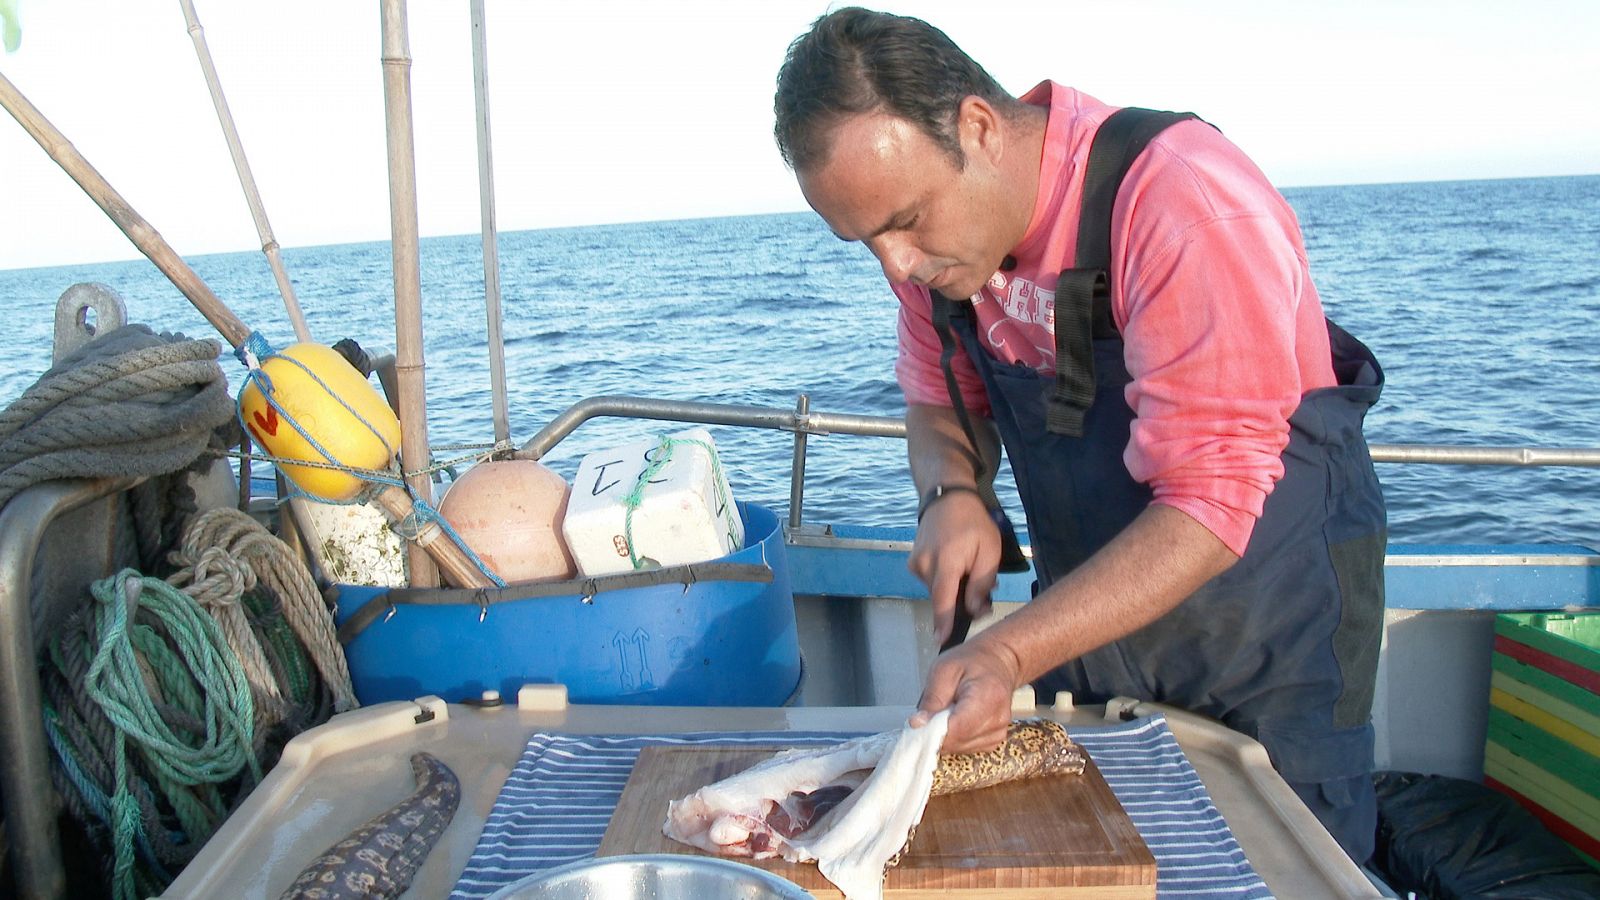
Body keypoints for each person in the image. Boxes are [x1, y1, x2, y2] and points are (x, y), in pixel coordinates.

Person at [773, 7, 1387, 863]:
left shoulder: (1181, 202)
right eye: (865, 240)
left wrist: (1011, 650)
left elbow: (1213, 500)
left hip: (1270, 653)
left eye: (906, 220)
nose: (895, 266)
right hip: (1093, 647)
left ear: (979, 127)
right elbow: (936, 401)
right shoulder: (936, 259)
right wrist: (951, 495)